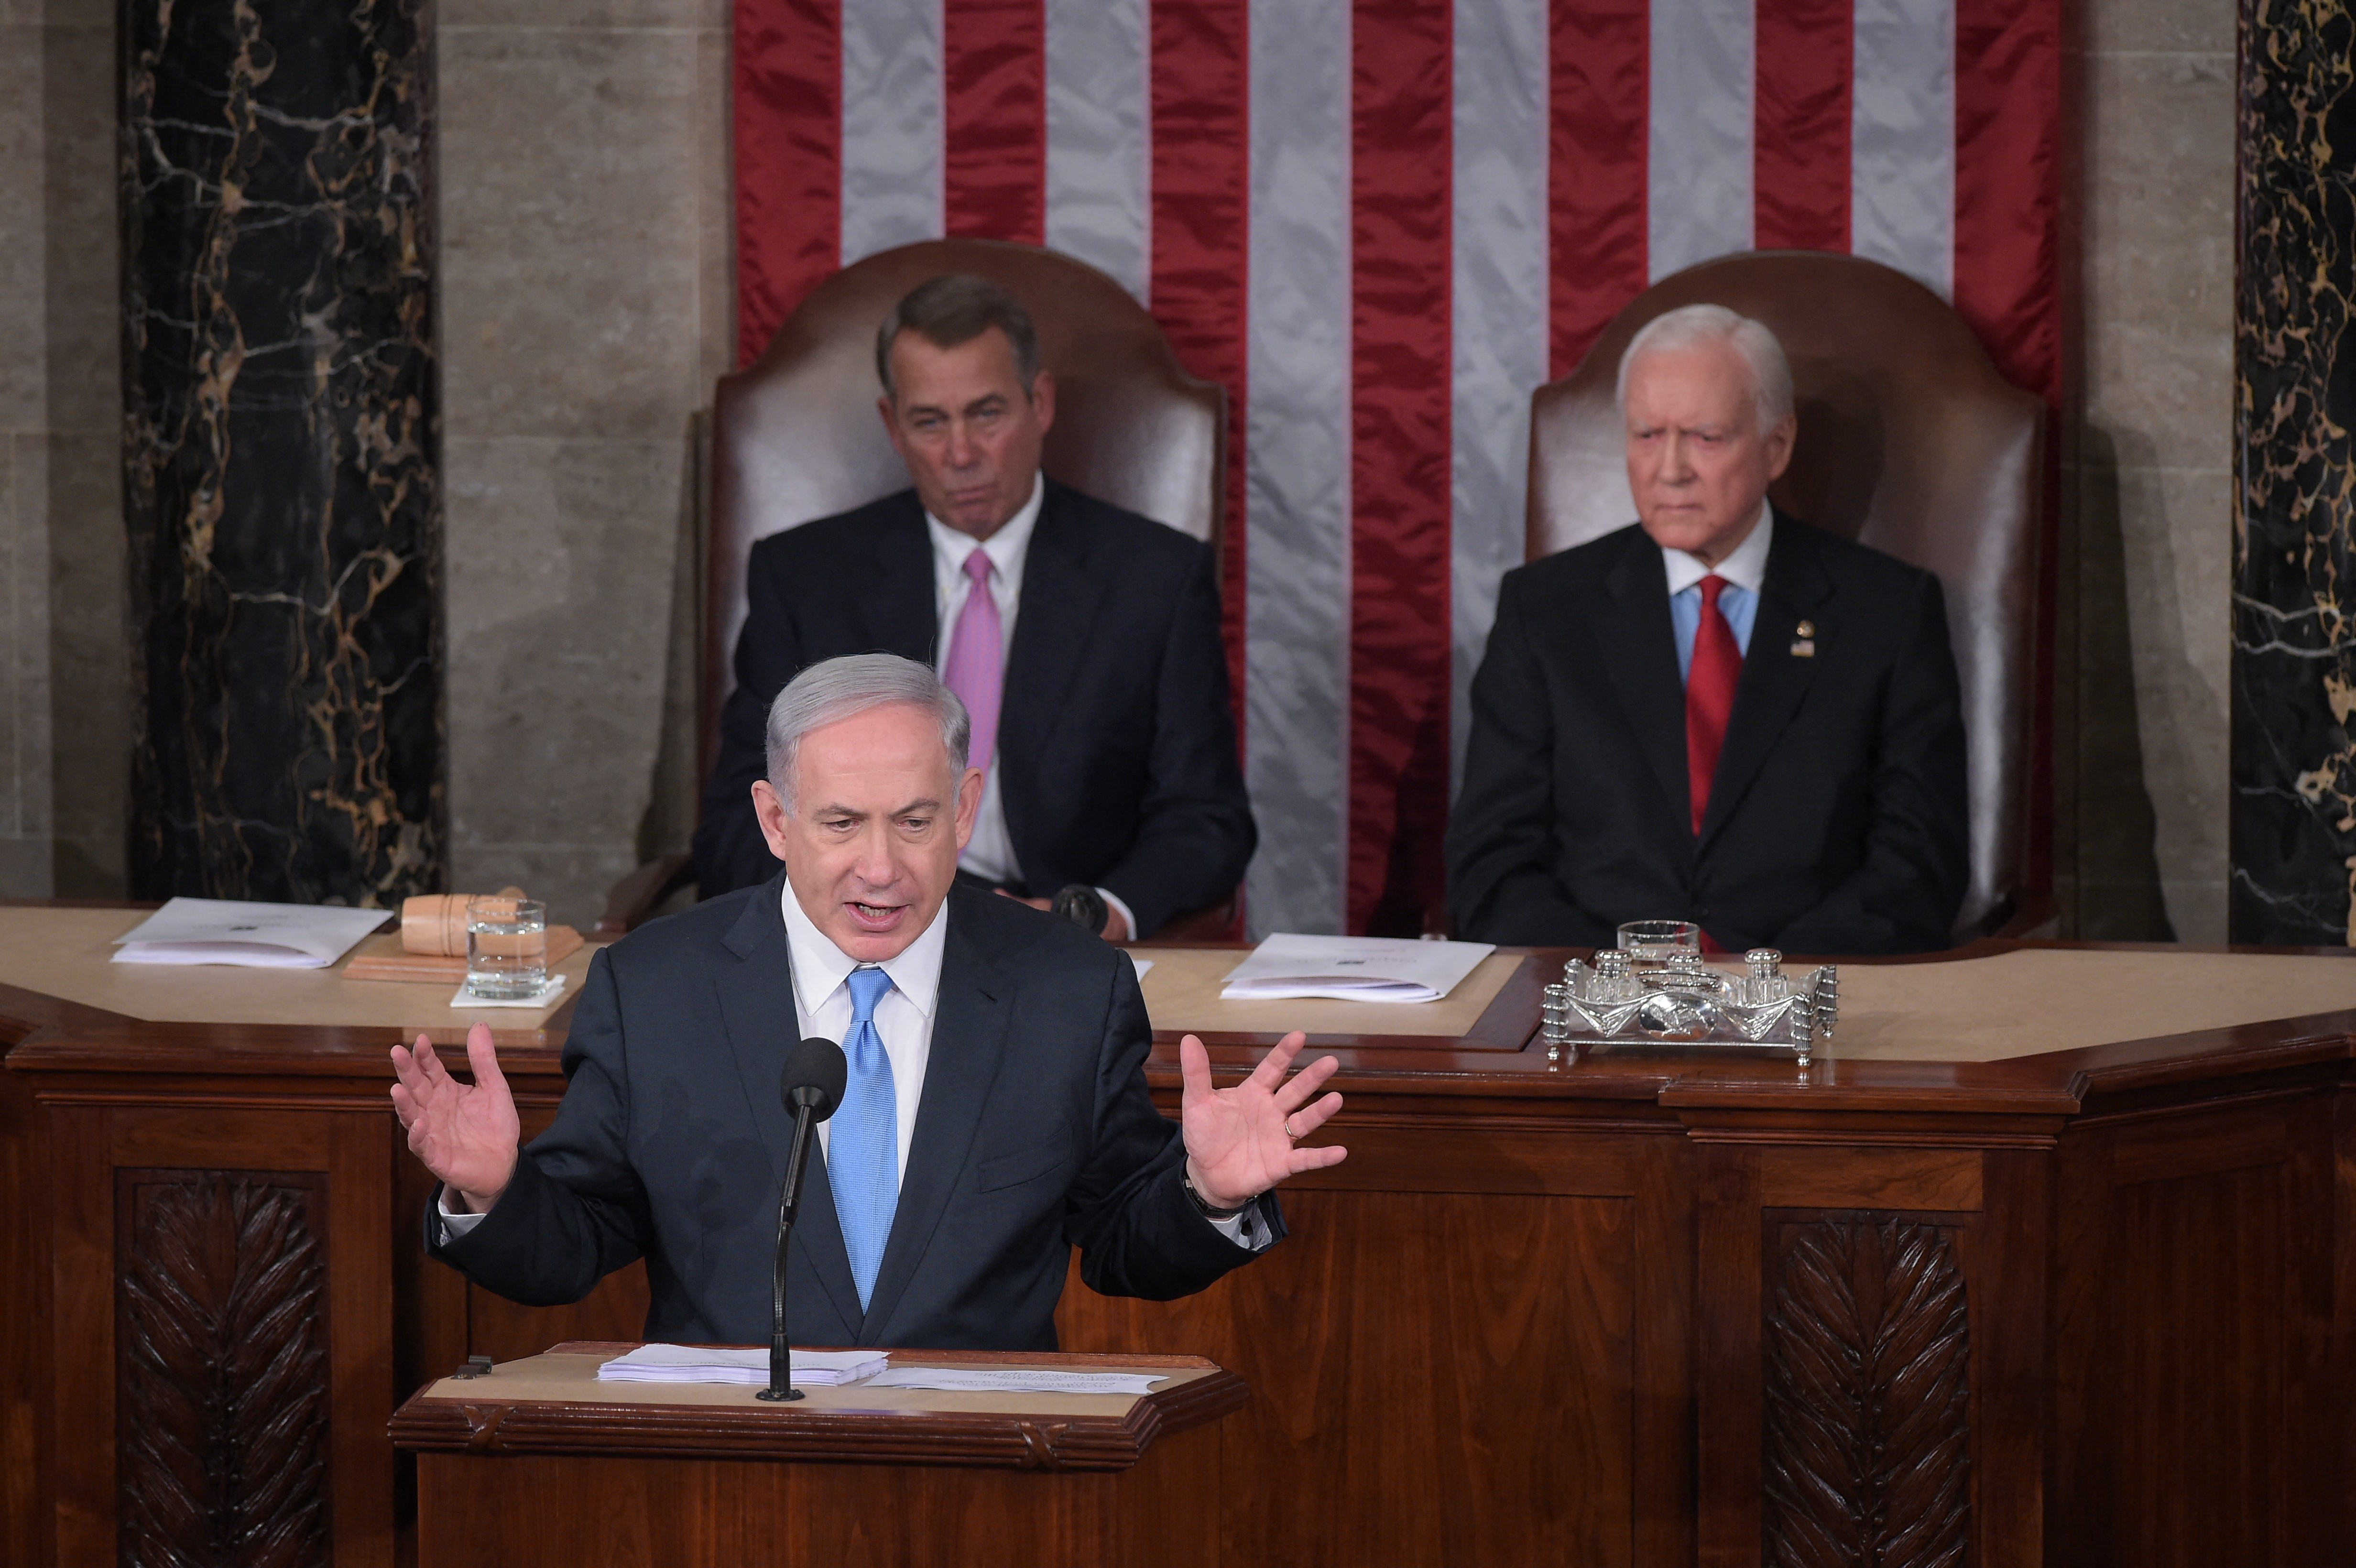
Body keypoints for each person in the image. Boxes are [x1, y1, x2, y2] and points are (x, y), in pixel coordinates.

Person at [393, 653, 1342, 1350]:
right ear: (775, 819)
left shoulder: (1067, 990)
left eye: (916, 821)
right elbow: (575, 1245)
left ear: (965, 809)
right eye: (841, 822)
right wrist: (492, 1191)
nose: (880, 868)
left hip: (989, 1479)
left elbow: (1126, 1242)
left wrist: (1208, 1194)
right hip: (727, 1482)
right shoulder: (656, 989)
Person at [691, 274, 1255, 942]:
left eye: (986, 414)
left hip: (1062, 940)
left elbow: (1206, 819)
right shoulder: (806, 578)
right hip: (863, 932)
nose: (961, 454)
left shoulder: (1156, 577)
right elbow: (738, 822)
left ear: (1039, 403)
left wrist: (1094, 914)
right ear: (892, 427)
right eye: (930, 421)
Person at [1447, 303, 1969, 955]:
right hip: (1596, 1008)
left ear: (1776, 446)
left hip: (1813, 1007)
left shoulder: (1886, 611)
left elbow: (1918, 865)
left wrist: (1769, 988)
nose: (1670, 470)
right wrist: (1624, 988)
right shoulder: (1545, 610)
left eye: (1705, 437)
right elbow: (1492, 863)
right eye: (1646, 435)